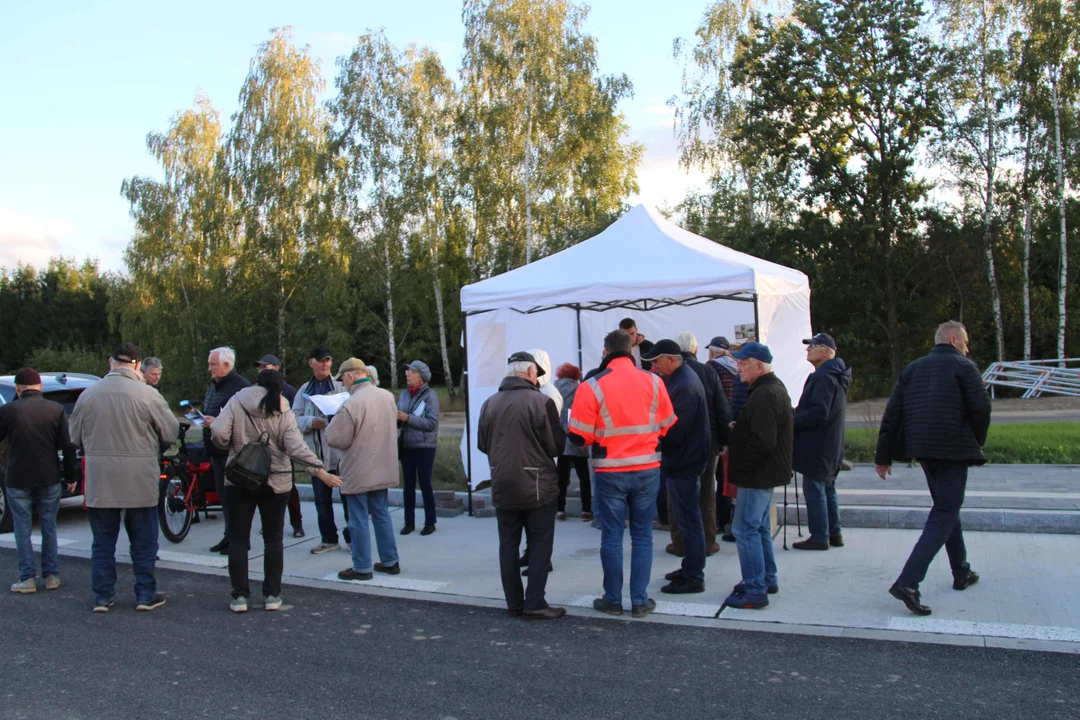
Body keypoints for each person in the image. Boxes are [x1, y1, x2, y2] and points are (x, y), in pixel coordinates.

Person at [876, 321, 990, 616]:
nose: (967, 348)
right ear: (954, 340)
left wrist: (883, 455)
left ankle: (961, 571)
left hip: (923, 451)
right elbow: (981, 409)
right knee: (944, 513)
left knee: (946, 508)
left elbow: (893, 414)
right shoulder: (964, 367)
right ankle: (908, 582)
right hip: (953, 451)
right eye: (965, 343)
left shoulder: (912, 369)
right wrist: (975, 441)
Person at [211, 370, 341, 612]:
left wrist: (228, 445)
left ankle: (239, 596)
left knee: (238, 539)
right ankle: (272, 595)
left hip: (240, 478)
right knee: (273, 539)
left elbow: (218, 431)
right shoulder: (283, 408)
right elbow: (295, 447)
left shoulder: (237, 401)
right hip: (276, 481)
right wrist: (320, 472)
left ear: (255, 384)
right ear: (280, 389)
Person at [569, 330, 674, 618]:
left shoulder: (591, 386)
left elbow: (578, 437)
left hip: (610, 470)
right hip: (647, 468)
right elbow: (667, 425)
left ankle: (612, 600)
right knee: (643, 536)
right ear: (631, 349)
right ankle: (640, 600)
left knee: (612, 536)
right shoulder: (654, 381)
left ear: (605, 352)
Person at [69, 343, 179, 613]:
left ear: (110, 362)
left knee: (103, 542)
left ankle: (102, 596)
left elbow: (73, 436)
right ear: (138, 365)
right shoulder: (148, 395)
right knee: (143, 540)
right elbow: (170, 431)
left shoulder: (88, 395)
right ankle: (145, 593)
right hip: (139, 476)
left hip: (100, 477)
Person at [477, 351, 566, 620]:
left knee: (508, 545)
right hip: (537, 484)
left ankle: (514, 602)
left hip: (502, 481)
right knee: (540, 543)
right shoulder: (541, 402)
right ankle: (535, 602)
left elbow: (483, 444)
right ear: (530, 373)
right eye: (536, 374)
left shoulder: (489, 404)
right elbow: (556, 446)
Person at [724, 342, 792, 610]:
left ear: (759, 366)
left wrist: (743, 464)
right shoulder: (768, 390)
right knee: (759, 526)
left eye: (743, 362)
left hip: (757, 474)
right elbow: (762, 432)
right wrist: (740, 428)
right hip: (765, 472)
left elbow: (763, 441)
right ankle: (765, 578)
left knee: (745, 528)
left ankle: (755, 589)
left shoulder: (765, 393)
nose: (738, 366)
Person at [641, 339, 711, 595]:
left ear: (672, 359)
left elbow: (675, 430)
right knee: (686, 519)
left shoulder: (683, 385)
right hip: (685, 458)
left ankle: (694, 575)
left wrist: (652, 434)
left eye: (656, 361)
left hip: (684, 461)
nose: (654, 366)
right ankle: (690, 567)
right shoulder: (682, 379)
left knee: (689, 520)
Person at [0, 368, 77, 594]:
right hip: (49, 475)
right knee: (49, 527)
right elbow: (68, 445)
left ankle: (27, 578)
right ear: (40, 387)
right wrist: (71, 476)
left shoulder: (8, 410)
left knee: (22, 528)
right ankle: (51, 575)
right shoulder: (55, 410)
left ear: (17, 388)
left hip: (17, 476)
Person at [327, 358, 402, 581]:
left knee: (357, 517)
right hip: (383, 465)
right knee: (381, 513)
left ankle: (361, 566)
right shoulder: (387, 396)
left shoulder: (351, 404)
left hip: (358, 468)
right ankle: (390, 561)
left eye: (342, 380)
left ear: (350, 376)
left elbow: (335, 437)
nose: (342, 385)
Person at [669, 331, 731, 558]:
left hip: (678, 443)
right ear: (695, 349)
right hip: (709, 442)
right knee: (706, 493)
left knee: (676, 495)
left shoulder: (672, 373)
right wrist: (725, 440)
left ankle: (679, 542)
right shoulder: (708, 371)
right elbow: (722, 408)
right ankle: (708, 541)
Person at [792, 333, 851, 551]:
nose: (808, 349)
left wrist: (790, 421)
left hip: (817, 445)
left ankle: (819, 536)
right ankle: (834, 533)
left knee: (815, 489)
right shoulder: (835, 374)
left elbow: (818, 413)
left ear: (827, 351)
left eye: (813, 346)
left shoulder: (823, 377)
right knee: (827, 488)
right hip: (831, 443)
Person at [293, 345, 347, 554]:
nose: (325, 364)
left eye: (328, 360)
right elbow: (294, 418)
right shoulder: (304, 390)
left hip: (339, 456)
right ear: (311, 363)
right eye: (321, 360)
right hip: (317, 459)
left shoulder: (340, 387)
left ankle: (352, 539)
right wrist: (309, 422)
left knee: (348, 500)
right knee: (321, 502)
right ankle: (329, 539)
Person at [202, 347, 251, 555]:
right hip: (216, 450)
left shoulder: (240, 387)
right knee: (224, 497)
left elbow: (247, 421)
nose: (209, 368)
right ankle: (229, 536)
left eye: (213, 364)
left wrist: (218, 423)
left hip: (233, 452)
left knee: (236, 500)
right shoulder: (215, 385)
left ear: (226, 365)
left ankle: (240, 540)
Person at [255, 353, 303, 537]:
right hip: (261, 448)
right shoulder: (255, 391)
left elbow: (294, 417)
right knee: (263, 487)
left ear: (275, 368)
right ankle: (270, 522)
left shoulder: (289, 391)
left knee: (289, 487)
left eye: (264, 366)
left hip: (284, 447)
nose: (260, 370)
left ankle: (296, 523)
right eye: (259, 367)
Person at [397, 360, 440, 536]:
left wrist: (408, 418)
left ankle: (430, 522)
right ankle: (409, 522)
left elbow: (431, 423)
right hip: (406, 445)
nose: (407, 374)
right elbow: (401, 416)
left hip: (424, 446)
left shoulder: (431, 396)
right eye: (407, 371)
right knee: (407, 485)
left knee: (424, 483)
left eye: (411, 372)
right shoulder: (404, 395)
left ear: (421, 376)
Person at [706, 336, 740, 542]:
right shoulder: (737, 367)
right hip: (736, 425)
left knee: (714, 479)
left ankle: (717, 522)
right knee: (728, 480)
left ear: (712, 351)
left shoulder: (711, 368)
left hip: (719, 429)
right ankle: (727, 520)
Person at [553, 363, 592, 522]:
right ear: (577, 376)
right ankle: (586, 511)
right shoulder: (580, 389)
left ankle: (560, 510)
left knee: (561, 477)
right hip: (576, 436)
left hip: (560, 438)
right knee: (583, 476)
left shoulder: (553, 389)